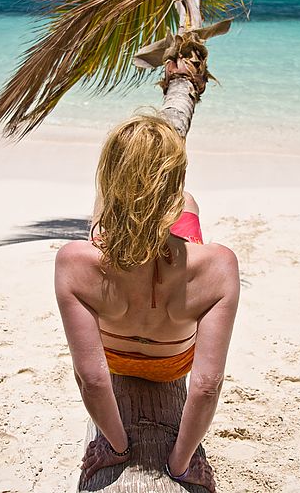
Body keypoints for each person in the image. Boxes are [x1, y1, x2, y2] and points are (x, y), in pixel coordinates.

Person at [54, 114, 240, 492]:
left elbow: (91, 379)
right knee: (189, 206)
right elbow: (205, 384)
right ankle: (162, 222)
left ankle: (136, 210)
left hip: (116, 358)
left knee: (106, 226)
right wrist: (181, 464)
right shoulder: (221, 266)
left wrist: (117, 448)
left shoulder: (72, 262)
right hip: (172, 365)